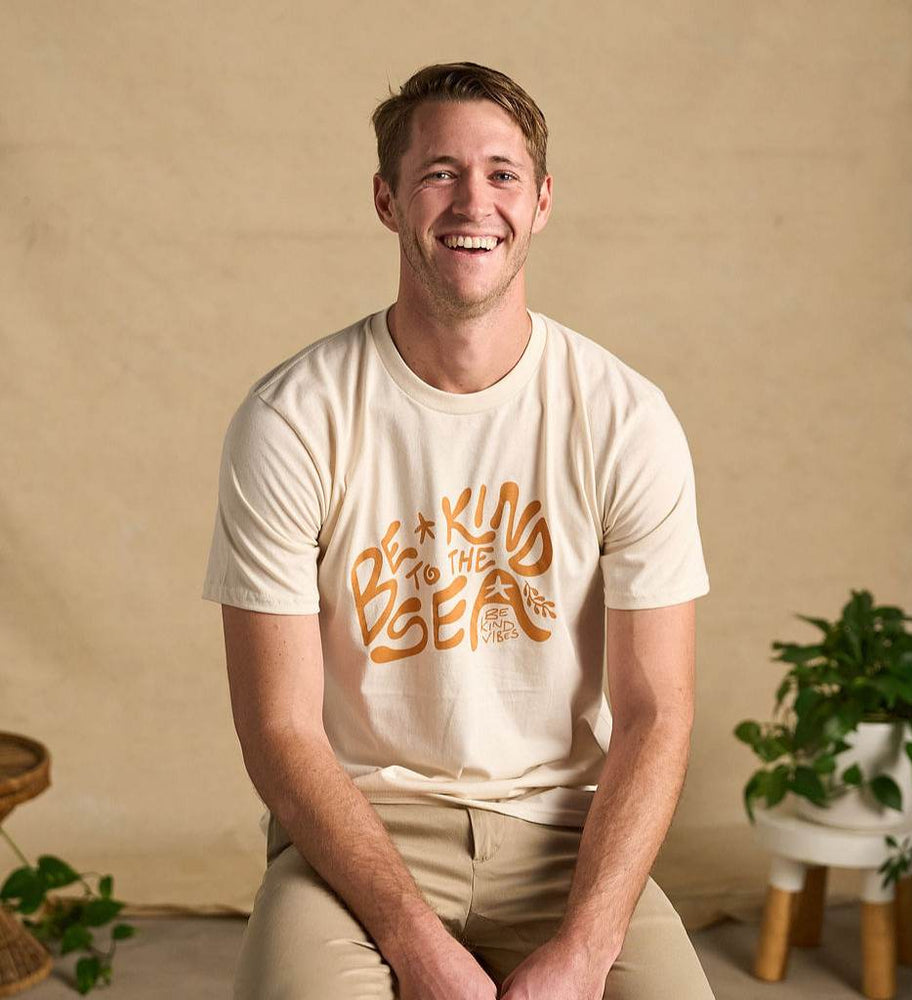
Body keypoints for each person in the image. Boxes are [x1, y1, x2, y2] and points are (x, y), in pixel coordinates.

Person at [202, 60, 715, 1000]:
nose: (472, 199)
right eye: (439, 172)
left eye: (502, 172)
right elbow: (277, 727)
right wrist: (414, 941)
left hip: (569, 837)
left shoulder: (624, 417)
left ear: (543, 200)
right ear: (388, 199)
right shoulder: (292, 418)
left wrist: (586, 949)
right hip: (360, 838)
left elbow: (657, 711)